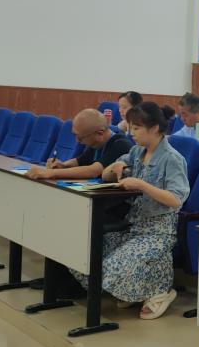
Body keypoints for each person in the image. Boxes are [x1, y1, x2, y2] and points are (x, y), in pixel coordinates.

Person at [79, 102, 190, 319]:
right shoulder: (136, 151)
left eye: (136, 128)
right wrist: (114, 168)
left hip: (158, 231)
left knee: (111, 268)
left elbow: (176, 199)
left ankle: (159, 290)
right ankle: (135, 291)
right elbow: (106, 174)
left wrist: (141, 185)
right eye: (130, 127)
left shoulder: (172, 158)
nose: (131, 133)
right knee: (85, 255)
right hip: (132, 227)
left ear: (155, 128)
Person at [26, 109, 132, 181]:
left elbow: (93, 171)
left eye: (81, 138)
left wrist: (50, 173)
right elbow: (79, 161)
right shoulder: (96, 144)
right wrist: (62, 165)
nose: (77, 141)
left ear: (99, 133)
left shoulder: (120, 144)